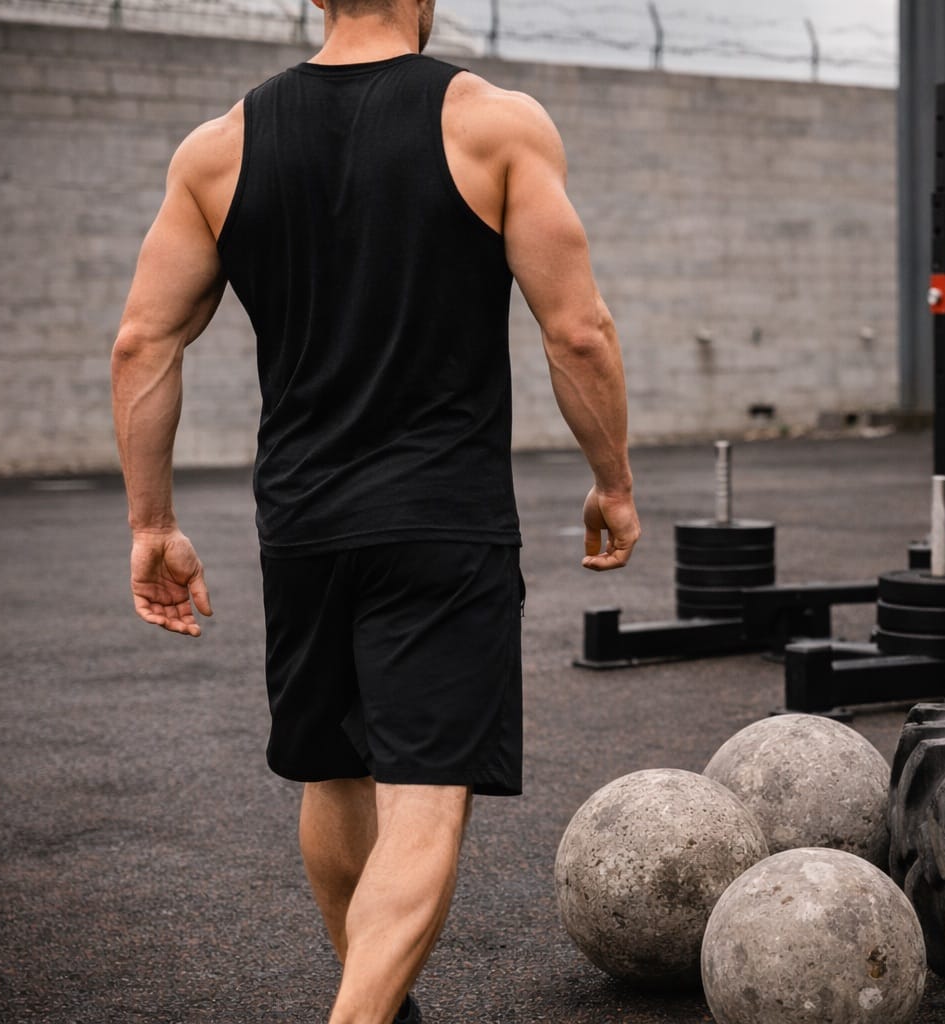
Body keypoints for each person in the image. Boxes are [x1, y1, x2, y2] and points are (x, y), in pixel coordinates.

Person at [108, 0, 640, 1019]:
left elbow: (142, 342)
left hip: (302, 524)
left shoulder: (219, 148)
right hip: (441, 520)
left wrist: (151, 524)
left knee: (334, 769)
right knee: (425, 800)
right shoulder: (492, 122)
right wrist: (612, 481)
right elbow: (578, 331)